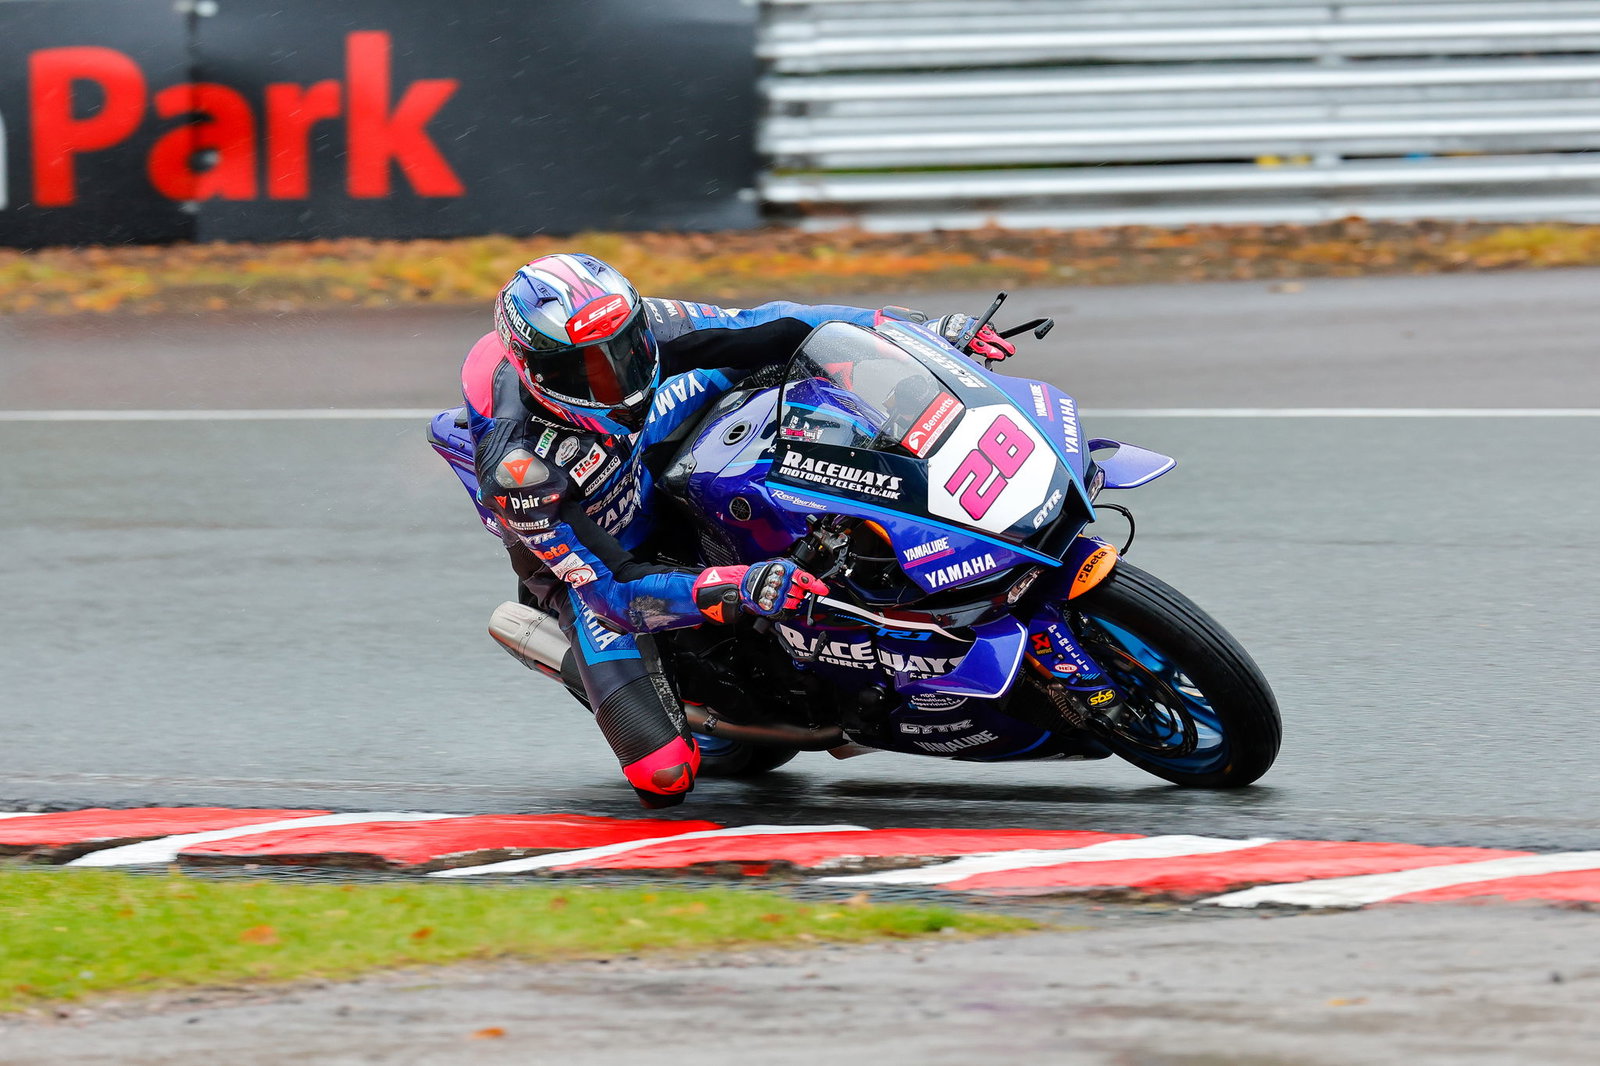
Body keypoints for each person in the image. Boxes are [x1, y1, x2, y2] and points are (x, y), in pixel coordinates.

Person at [461, 252, 1015, 807]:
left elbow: (771, 323)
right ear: (537, 373)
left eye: (625, 350)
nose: (616, 378)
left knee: (784, 361)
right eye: (587, 370)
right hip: (600, 565)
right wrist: (737, 585)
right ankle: (561, 649)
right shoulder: (519, 469)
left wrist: (915, 330)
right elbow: (616, 591)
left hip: (649, 447)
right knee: (664, 776)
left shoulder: (641, 325)